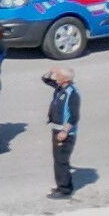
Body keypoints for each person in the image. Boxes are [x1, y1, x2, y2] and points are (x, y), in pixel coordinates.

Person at [44, 66, 84, 198]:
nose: (56, 78)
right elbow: (45, 79)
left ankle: (65, 189)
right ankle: (61, 185)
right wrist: (51, 71)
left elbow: (74, 116)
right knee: (58, 160)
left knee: (62, 161)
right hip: (56, 130)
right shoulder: (60, 88)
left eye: (58, 76)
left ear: (66, 79)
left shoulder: (72, 94)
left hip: (64, 133)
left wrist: (65, 131)